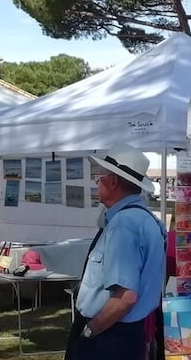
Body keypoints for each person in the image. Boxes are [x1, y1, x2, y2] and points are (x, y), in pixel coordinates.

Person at [66, 145, 166, 359]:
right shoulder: (146, 219)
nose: (97, 183)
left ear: (113, 182)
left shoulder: (124, 224)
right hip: (125, 333)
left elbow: (125, 298)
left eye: (99, 178)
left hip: (109, 335)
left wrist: (90, 330)